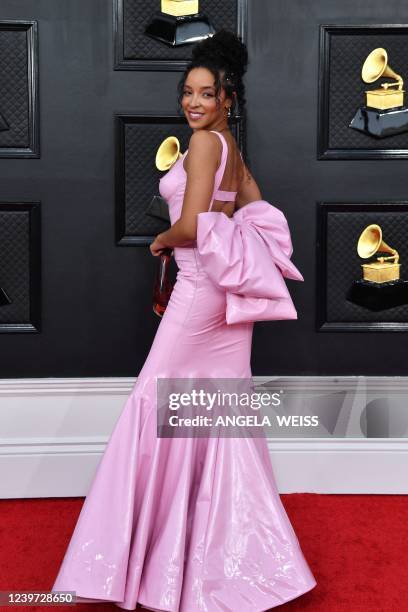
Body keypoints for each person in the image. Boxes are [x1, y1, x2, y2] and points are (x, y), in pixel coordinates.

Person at [51, 29, 317, 611]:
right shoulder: (232, 152)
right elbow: (257, 212)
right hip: (225, 303)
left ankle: (146, 562)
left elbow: (194, 226)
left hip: (199, 296)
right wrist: (220, 231)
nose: (193, 102)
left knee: (158, 403)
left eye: (206, 93)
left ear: (229, 99)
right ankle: (227, 561)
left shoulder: (202, 146)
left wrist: (161, 241)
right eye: (188, 93)